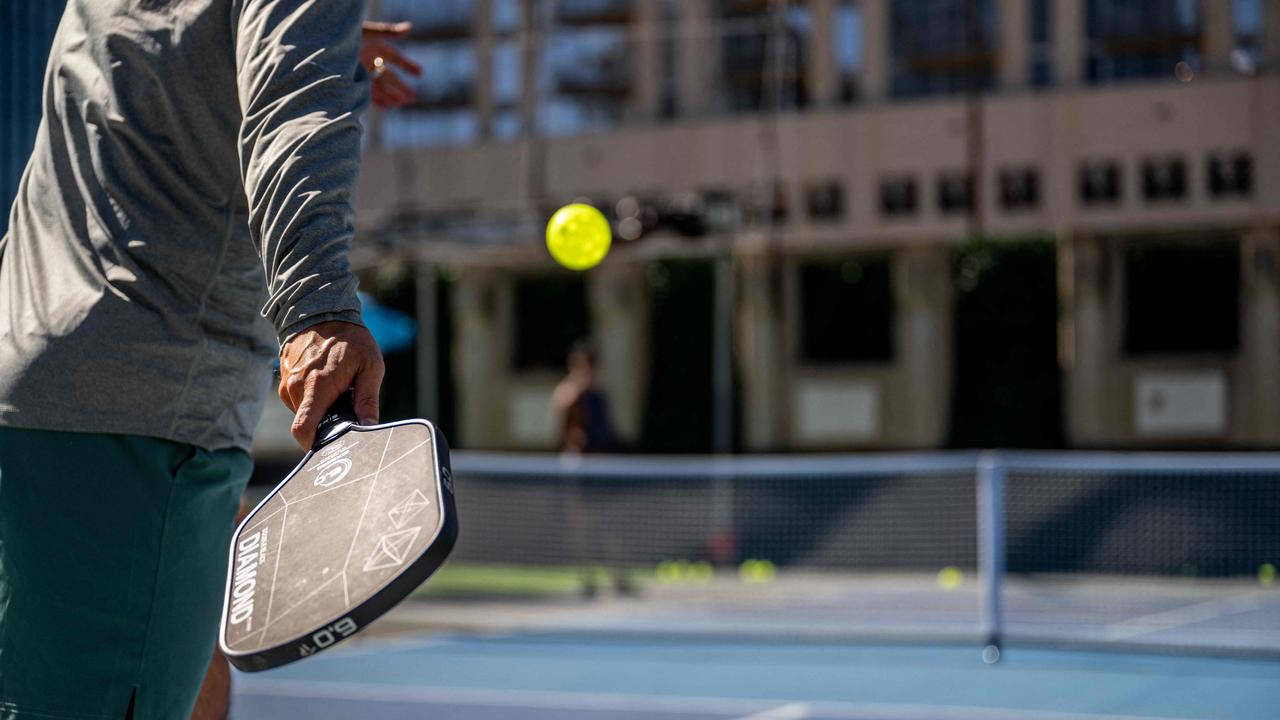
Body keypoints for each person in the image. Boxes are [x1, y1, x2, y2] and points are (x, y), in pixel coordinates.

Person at [0, 2, 420, 718]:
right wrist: (318, 308)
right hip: (141, 413)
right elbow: (292, 111)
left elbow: (156, 49)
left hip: (30, 391)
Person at [552, 341, 623, 454]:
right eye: (582, 366)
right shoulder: (567, 393)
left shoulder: (598, 394)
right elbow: (561, 433)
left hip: (600, 454)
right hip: (577, 457)